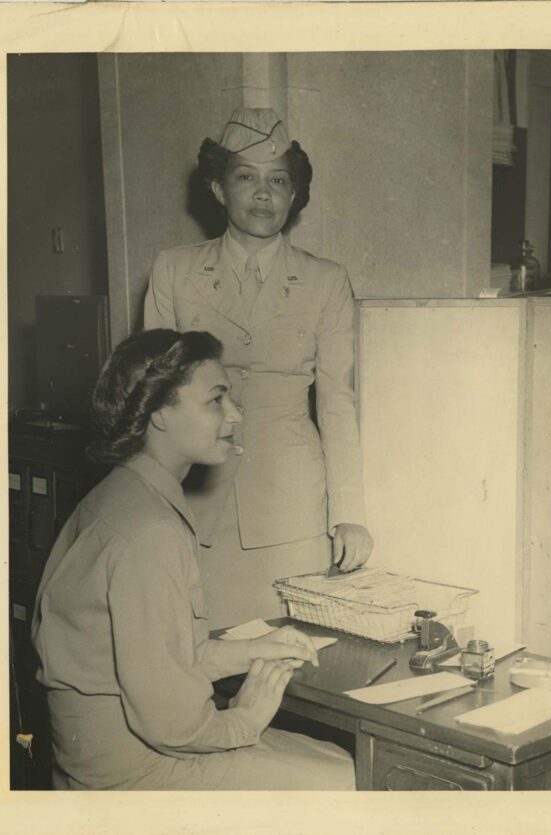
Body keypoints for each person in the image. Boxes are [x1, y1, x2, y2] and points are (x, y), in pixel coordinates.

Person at [31, 329, 356, 790]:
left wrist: (253, 651)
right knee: (348, 776)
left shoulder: (119, 495)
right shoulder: (152, 531)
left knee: (334, 760)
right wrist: (246, 719)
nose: (235, 413)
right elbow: (174, 726)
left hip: (102, 758)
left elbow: (157, 661)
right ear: (159, 412)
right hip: (136, 775)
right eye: (216, 400)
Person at [144, 108, 372, 630]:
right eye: (246, 177)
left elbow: (337, 401)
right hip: (198, 500)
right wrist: (151, 501)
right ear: (218, 189)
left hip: (291, 506)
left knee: (293, 650)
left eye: (279, 181)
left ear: (295, 195)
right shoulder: (173, 270)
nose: (264, 194)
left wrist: (349, 513)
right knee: (200, 646)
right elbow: (152, 399)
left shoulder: (326, 281)